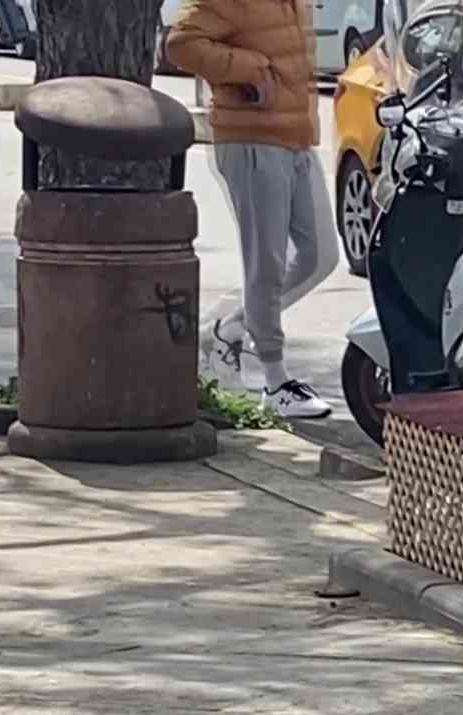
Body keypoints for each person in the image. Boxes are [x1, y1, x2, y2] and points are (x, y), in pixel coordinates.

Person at [169, 0, 337, 419]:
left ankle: (229, 329)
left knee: (320, 257)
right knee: (267, 261)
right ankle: (275, 381)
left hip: (296, 137)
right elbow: (181, 44)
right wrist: (246, 69)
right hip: (251, 141)